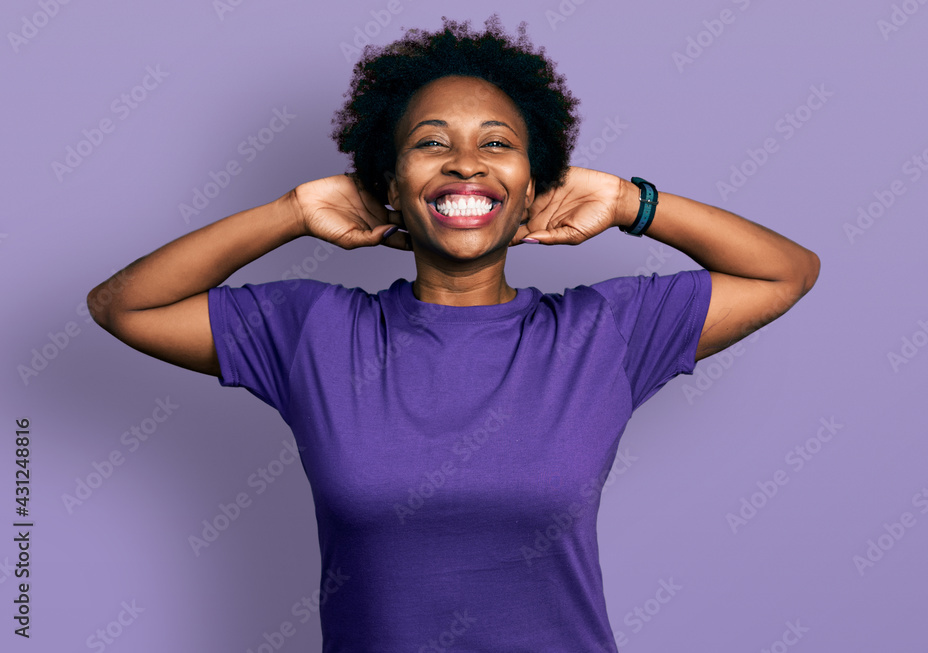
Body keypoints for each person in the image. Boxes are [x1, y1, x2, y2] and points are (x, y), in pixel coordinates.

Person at [87, 15, 819, 653]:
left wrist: (631, 201)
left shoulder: (605, 333)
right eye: (430, 143)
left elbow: (785, 272)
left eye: (497, 143)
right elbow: (125, 305)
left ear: (533, 187)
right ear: (391, 185)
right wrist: (294, 209)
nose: (466, 161)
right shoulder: (315, 330)